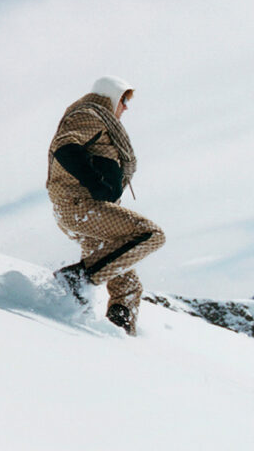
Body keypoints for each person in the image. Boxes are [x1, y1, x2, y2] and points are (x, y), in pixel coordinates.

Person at [46, 76, 165, 335]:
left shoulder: (103, 123)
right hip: (79, 205)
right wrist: (96, 183)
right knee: (150, 234)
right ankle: (74, 279)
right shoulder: (89, 115)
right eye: (123, 100)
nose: (126, 107)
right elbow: (65, 147)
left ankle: (117, 333)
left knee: (128, 285)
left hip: (87, 211)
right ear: (111, 95)